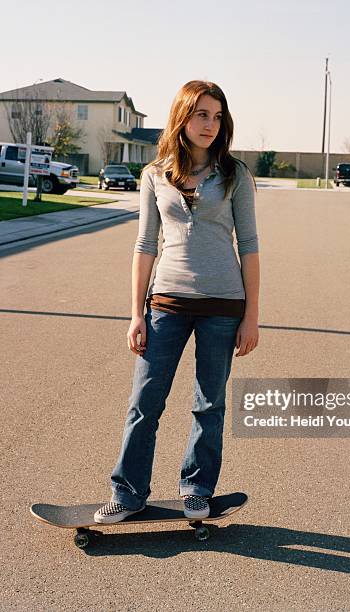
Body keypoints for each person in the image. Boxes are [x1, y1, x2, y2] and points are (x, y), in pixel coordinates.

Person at [94, 80, 260, 524]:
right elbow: (145, 243)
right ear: (182, 117)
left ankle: (197, 489)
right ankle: (127, 494)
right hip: (165, 303)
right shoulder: (154, 174)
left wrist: (252, 316)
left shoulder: (235, 175)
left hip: (224, 305)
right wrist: (135, 314)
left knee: (210, 404)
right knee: (144, 401)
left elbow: (250, 245)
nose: (210, 124)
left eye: (218, 116)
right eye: (202, 114)